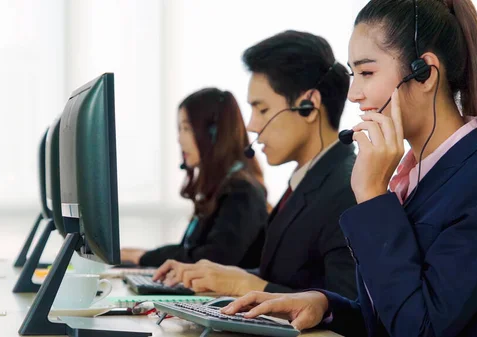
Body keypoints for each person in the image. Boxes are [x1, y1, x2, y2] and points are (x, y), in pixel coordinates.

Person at [221, 1, 477, 336]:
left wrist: (371, 196)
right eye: (354, 75)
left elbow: (420, 329)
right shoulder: (414, 176)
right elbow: (392, 311)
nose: (354, 94)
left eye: (367, 73)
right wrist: (324, 306)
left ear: (424, 72)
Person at [152, 30, 359, 299]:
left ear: (308, 105)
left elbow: (349, 309)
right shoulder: (306, 182)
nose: (251, 125)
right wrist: (224, 276)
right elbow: (286, 279)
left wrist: (247, 285)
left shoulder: (349, 188)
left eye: (262, 109)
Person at [121, 88, 268, 268]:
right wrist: (145, 256)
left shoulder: (242, 191)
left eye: (187, 128)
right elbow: (192, 250)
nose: (179, 139)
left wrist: (144, 257)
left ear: (215, 134)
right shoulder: (219, 188)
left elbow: (213, 259)